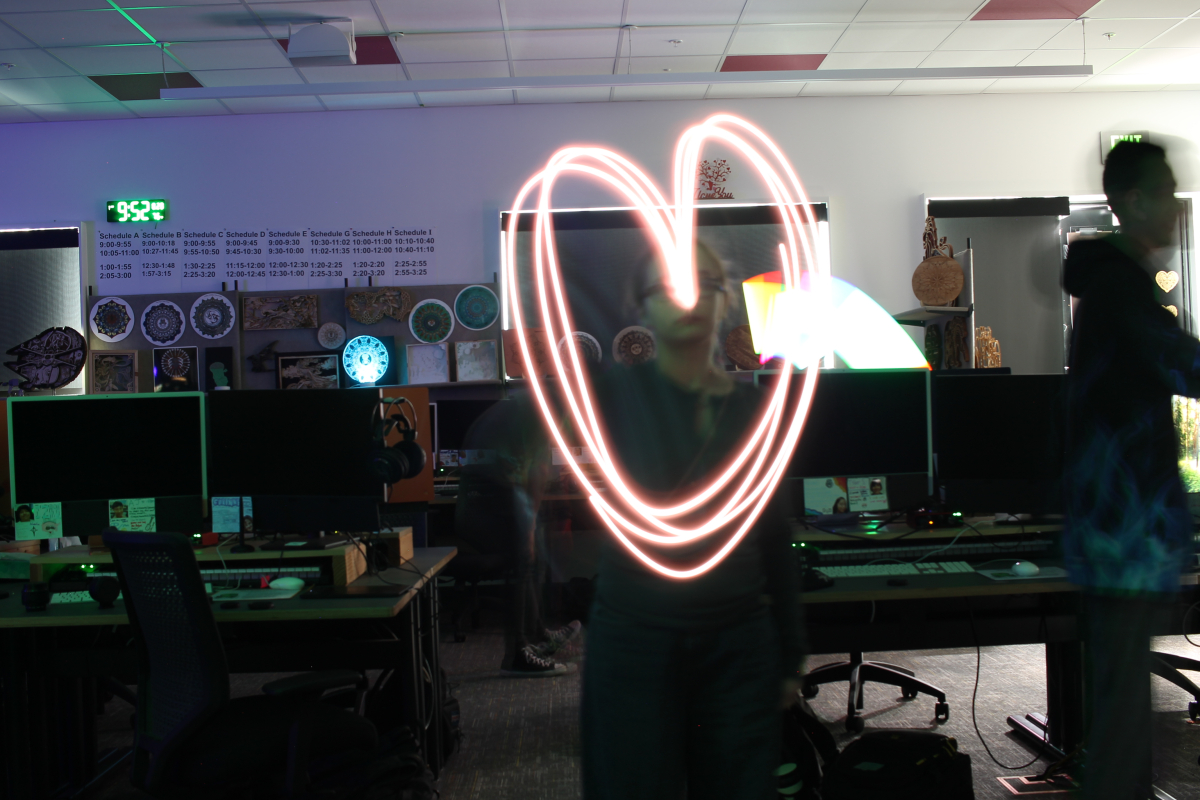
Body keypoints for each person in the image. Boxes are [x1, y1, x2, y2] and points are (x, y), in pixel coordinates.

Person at [581, 240, 805, 800]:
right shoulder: (610, 396)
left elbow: (774, 534)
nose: (688, 298)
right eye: (668, 287)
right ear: (641, 306)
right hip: (634, 642)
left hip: (739, 646)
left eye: (704, 284)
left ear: (726, 300)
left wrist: (790, 654)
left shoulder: (755, 412)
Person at [1062, 140, 1200, 800]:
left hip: (1121, 529)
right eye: (1169, 192)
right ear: (1134, 200)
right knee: (1120, 719)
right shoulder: (1118, 291)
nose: (1178, 208)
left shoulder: (1117, 284)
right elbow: (1182, 364)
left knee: (1120, 709)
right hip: (1123, 533)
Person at [455, 394, 581, 676]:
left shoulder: (530, 407)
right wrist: (529, 527)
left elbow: (535, 467)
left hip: (483, 501)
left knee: (531, 558)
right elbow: (535, 471)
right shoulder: (541, 414)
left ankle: (538, 636)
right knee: (522, 560)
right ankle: (517, 656)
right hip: (484, 506)